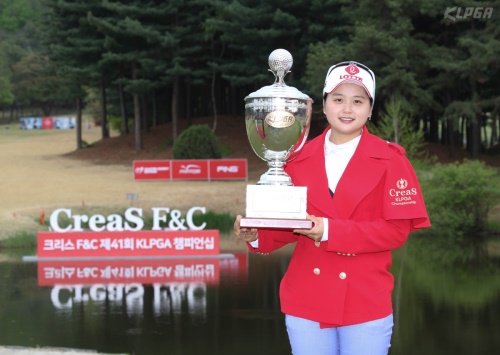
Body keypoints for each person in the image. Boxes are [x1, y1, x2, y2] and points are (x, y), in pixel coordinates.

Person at [234, 61, 431, 355]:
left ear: (370, 109)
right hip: (307, 301)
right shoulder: (295, 159)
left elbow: (396, 232)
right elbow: (290, 227)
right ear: (323, 106)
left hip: (365, 302)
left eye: (358, 101)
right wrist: (256, 235)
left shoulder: (392, 160)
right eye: (338, 99)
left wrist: (329, 230)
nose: (347, 109)